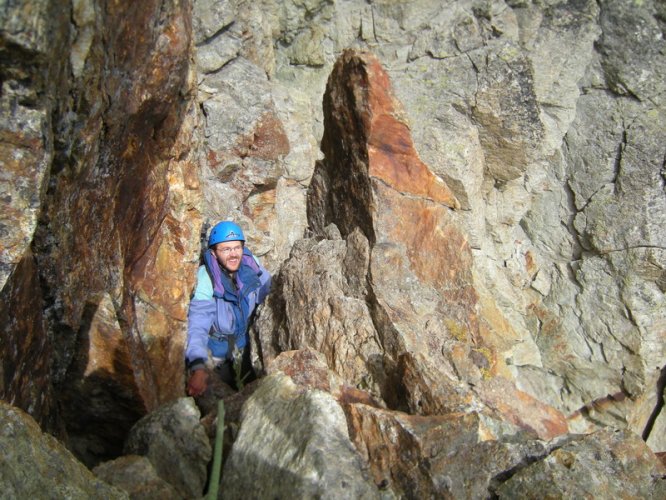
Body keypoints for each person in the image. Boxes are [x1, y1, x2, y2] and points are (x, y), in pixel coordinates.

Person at [185, 221, 271, 396]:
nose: (233, 254)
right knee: (222, 394)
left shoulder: (251, 266)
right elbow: (198, 325)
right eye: (226, 249)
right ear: (214, 254)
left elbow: (269, 292)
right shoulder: (206, 279)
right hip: (217, 349)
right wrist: (198, 367)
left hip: (245, 343)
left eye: (237, 248)